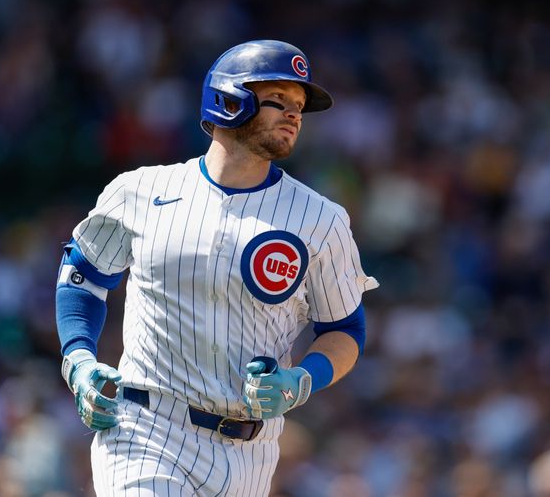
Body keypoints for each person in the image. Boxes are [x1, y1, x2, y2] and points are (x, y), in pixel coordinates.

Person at [55, 39, 379, 496]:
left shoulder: (320, 219)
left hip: (251, 451)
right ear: (229, 100)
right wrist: (80, 362)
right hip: (146, 428)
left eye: (300, 106)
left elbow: (345, 329)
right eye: (279, 100)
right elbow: (83, 279)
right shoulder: (141, 190)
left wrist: (301, 380)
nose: (294, 115)